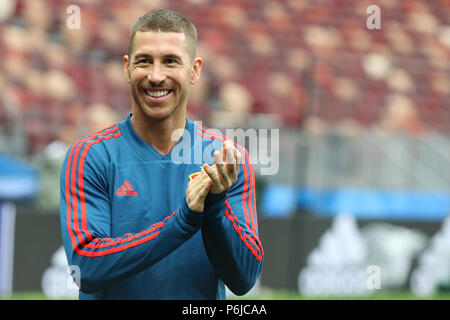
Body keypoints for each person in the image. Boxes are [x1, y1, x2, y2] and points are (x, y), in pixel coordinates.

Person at [59, 9, 263, 300]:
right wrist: (184, 221)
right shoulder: (90, 156)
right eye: (144, 61)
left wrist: (215, 207)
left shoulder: (226, 161)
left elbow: (244, 279)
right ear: (127, 68)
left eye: (170, 61)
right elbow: (86, 268)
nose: (156, 76)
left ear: (194, 70)